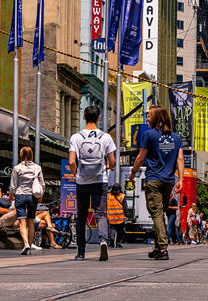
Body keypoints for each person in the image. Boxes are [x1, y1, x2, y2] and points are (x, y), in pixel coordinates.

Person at [129, 105, 184, 261]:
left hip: (153, 179)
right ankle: (158, 247)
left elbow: (141, 157)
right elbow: (180, 159)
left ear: (157, 117)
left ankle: (162, 248)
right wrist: (181, 180)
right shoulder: (176, 138)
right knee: (159, 214)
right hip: (168, 181)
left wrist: (133, 172)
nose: (147, 118)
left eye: (149, 115)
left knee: (156, 213)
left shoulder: (149, 135)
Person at [69, 105, 117, 262]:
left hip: (82, 182)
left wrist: (76, 173)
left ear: (83, 117)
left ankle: (81, 252)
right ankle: (103, 241)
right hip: (99, 180)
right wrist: (106, 167)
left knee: (81, 217)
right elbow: (112, 161)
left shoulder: (76, 137)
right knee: (100, 214)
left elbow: (71, 161)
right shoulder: (105, 137)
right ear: (99, 118)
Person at [11, 145, 46, 255]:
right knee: (31, 222)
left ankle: (25, 243)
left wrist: (12, 195)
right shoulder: (37, 168)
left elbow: (13, 185)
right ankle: (29, 247)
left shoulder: (17, 168)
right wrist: (40, 195)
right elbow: (42, 184)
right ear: (31, 155)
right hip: (32, 196)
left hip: (20, 195)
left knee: (22, 221)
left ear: (21, 155)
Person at [106, 184, 126, 248]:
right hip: (119, 217)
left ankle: (111, 242)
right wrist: (126, 215)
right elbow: (125, 206)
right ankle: (118, 243)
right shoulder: (122, 196)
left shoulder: (108, 196)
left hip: (110, 217)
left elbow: (105, 206)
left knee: (111, 230)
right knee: (120, 231)